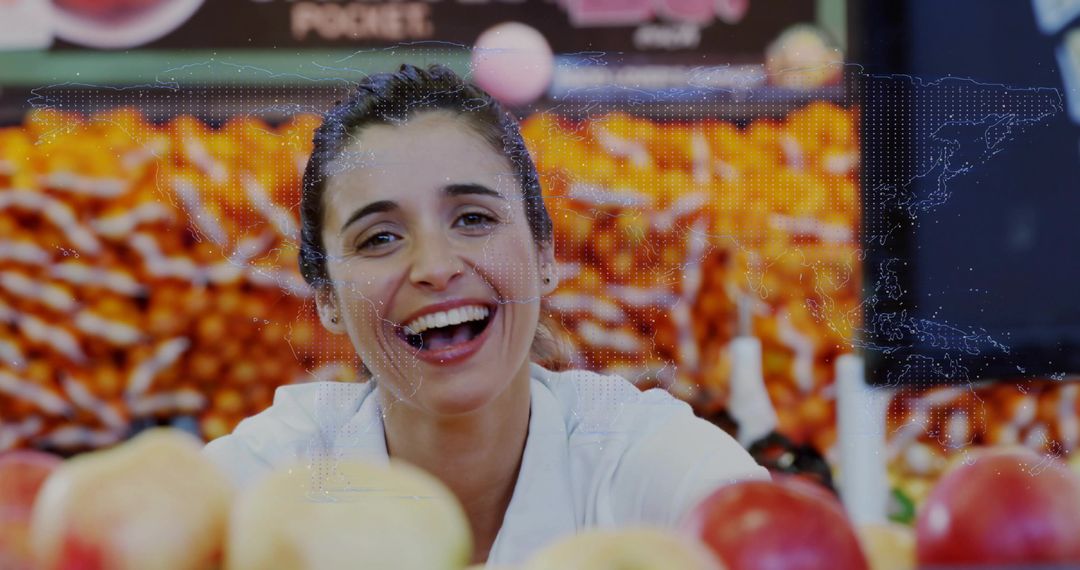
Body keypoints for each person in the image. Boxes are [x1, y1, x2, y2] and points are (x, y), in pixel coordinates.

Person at [203, 63, 768, 566]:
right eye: (379, 237)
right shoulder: (269, 479)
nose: (436, 265)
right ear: (326, 298)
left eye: (473, 219)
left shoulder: (649, 466)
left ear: (544, 254)